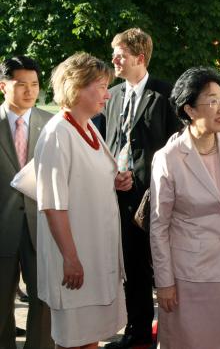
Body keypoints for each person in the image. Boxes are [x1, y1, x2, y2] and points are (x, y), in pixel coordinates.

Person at [150, 66, 220, 349]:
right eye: (212, 101)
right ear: (190, 110)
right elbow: (159, 226)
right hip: (188, 276)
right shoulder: (169, 158)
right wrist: (165, 282)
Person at [34, 52, 128, 349]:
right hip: (76, 261)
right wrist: (71, 259)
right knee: (73, 339)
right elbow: (52, 203)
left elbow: (86, 177)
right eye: (100, 86)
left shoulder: (87, 126)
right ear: (76, 87)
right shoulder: (58, 133)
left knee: (90, 337)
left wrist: (114, 180)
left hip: (96, 256)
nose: (107, 95)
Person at [98, 28, 180, 349]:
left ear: (139, 58)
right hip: (122, 197)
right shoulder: (113, 95)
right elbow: (111, 143)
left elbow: (176, 146)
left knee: (162, 267)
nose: (113, 60)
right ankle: (138, 332)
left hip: (157, 199)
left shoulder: (164, 94)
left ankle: (171, 333)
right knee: (132, 268)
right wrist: (113, 176)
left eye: (119, 54)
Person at [0, 55, 53, 349]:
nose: (30, 91)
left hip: (42, 227)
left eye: (34, 84)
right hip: (2, 229)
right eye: (21, 85)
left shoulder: (51, 124)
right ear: (3, 86)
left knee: (43, 303)